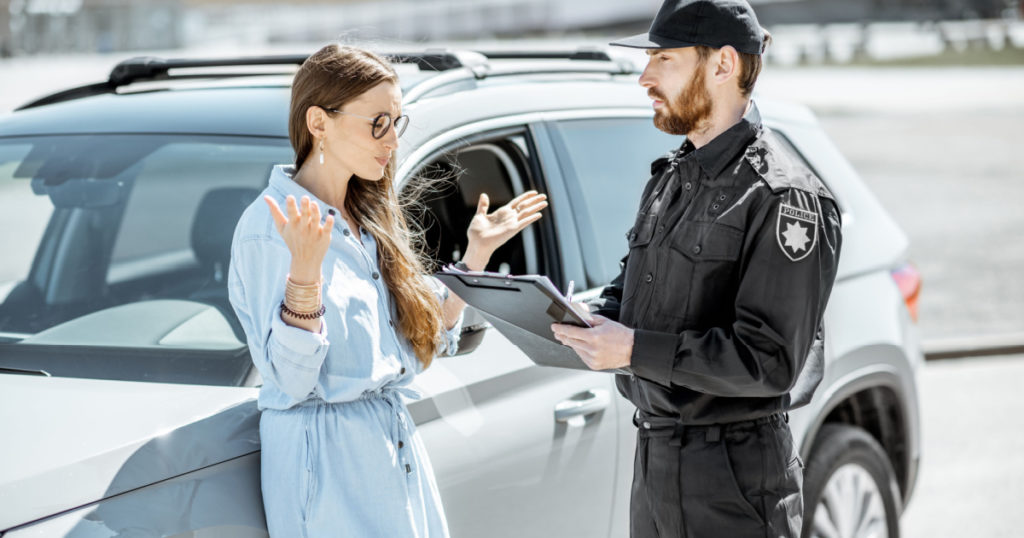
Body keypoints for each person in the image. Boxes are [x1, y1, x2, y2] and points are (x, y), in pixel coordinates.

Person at [228, 44, 547, 537]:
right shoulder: (272, 226)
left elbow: (422, 337)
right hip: (326, 460)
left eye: (397, 122)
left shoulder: (368, 217)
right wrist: (305, 279)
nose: (392, 141)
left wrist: (475, 257)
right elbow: (290, 382)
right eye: (378, 122)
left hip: (389, 445)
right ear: (319, 123)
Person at [550, 1, 843, 536]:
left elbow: (770, 359)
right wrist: (574, 317)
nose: (644, 77)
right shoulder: (670, 179)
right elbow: (636, 297)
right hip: (655, 464)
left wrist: (634, 349)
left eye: (663, 59)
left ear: (723, 65)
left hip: (734, 482)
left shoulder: (784, 196)